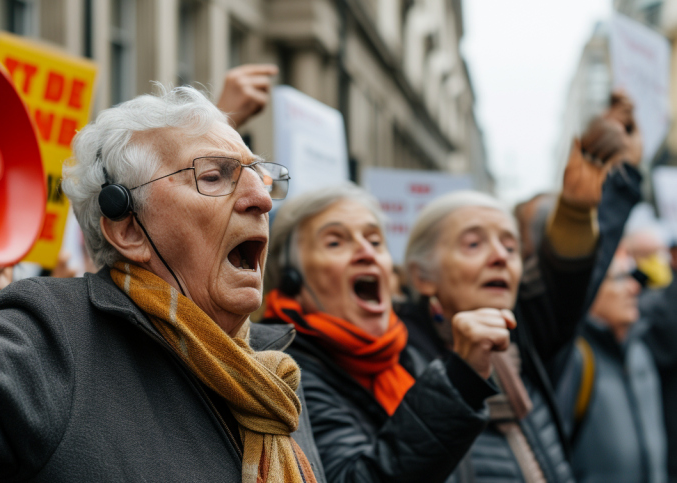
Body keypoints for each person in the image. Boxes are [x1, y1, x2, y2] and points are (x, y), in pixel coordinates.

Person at [0, 86, 325, 482]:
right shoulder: (57, 339)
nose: (261, 199)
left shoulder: (275, 381)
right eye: (214, 175)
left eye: (261, 176)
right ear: (127, 227)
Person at [396, 93, 643, 483]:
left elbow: (570, 277)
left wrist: (591, 200)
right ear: (422, 275)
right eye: (474, 244)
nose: (500, 257)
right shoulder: (393, 359)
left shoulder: (524, 342)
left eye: (510, 246)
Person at [261, 183, 505, 482]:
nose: (366, 252)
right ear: (291, 280)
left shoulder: (409, 356)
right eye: (335, 243)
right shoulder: (286, 375)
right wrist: (460, 381)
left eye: (375, 241)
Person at [557, 248, 667, 483]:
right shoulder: (575, 360)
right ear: (590, 291)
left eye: (632, 277)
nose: (633, 288)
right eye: (619, 279)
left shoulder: (640, 352)